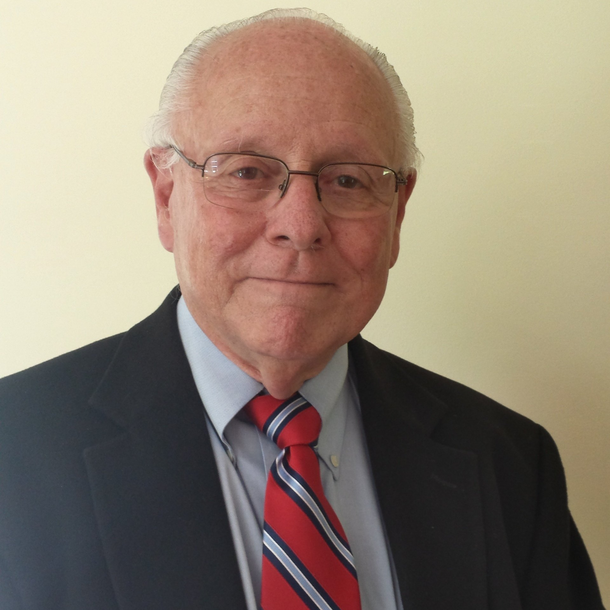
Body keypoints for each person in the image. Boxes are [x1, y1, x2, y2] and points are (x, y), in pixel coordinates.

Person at [0, 8, 604, 610]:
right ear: (165, 198)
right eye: (246, 171)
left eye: (347, 181)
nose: (301, 225)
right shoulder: (15, 452)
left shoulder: (510, 464)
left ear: (397, 213)